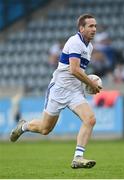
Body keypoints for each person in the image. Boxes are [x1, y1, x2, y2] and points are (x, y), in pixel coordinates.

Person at [10, 14, 101, 169]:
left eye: (95, 26)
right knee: (45, 129)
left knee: (90, 119)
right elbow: (73, 69)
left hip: (74, 91)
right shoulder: (75, 42)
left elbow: (78, 71)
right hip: (58, 90)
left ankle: (78, 158)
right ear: (81, 28)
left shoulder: (89, 47)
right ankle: (23, 126)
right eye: (90, 26)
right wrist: (91, 83)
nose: (94, 29)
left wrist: (86, 86)